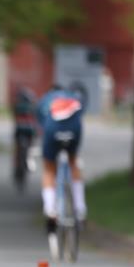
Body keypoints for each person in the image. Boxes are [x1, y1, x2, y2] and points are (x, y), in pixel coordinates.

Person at [36, 82, 86, 223]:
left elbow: (41, 123)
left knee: (49, 168)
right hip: (74, 130)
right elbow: (81, 113)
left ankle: (50, 208)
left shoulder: (45, 99)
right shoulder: (72, 97)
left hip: (52, 130)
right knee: (73, 162)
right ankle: (80, 208)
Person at [11, 86, 38, 182]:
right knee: (31, 146)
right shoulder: (33, 106)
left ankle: (17, 164)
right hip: (30, 131)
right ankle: (30, 160)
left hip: (19, 130)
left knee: (18, 148)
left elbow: (14, 116)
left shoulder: (17, 106)